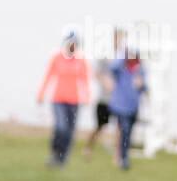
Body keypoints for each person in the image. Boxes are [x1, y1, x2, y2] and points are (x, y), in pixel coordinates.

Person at [37, 32, 91, 167]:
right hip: (59, 99)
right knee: (61, 127)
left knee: (70, 131)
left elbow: (85, 80)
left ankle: (63, 157)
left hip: (74, 101)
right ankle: (55, 153)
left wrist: (87, 97)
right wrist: (41, 94)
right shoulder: (57, 57)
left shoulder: (81, 60)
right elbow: (48, 76)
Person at [83, 28, 125, 159]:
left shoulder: (124, 57)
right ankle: (88, 148)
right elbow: (95, 72)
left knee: (119, 128)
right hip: (105, 98)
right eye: (117, 38)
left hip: (119, 100)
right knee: (99, 127)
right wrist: (106, 81)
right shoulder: (105, 56)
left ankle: (117, 155)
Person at [108, 46, 148, 170]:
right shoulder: (121, 69)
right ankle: (123, 158)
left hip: (133, 107)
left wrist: (141, 86)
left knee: (128, 133)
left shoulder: (139, 70)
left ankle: (124, 157)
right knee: (124, 131)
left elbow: (144, 88)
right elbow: (112, 68)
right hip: (120, 107)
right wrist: (123, 55)